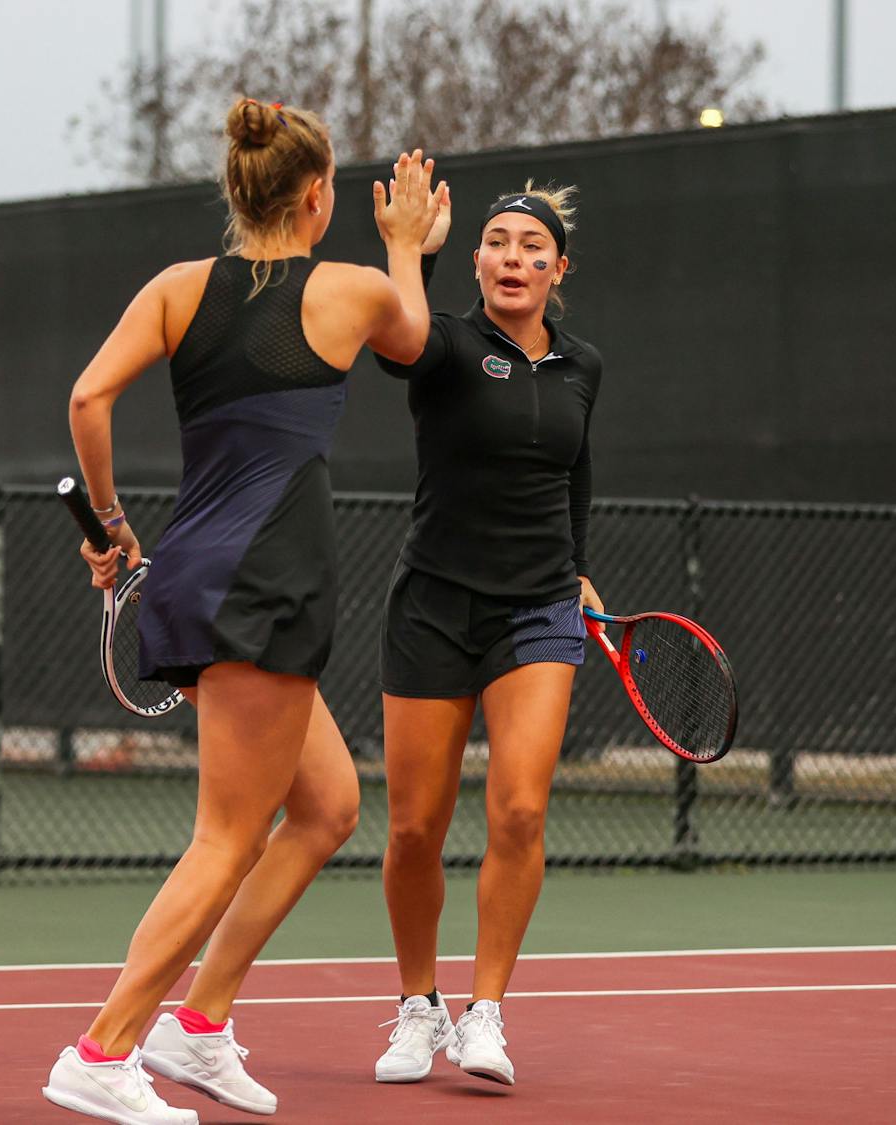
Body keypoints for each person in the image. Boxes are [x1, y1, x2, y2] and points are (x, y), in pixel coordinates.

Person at [42, 98, 443, 1125]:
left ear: (236, 190)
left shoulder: (178, 288)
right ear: (319, 200)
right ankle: (103, 1048)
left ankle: (200, 1024)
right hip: (266, 583)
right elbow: (415, 340)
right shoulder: (354, 290)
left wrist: (109, 527)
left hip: (196, 570)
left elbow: (90, 398)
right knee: (227, 837)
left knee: (325, 810)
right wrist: (403, 244)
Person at [370, 182, 603, 1088]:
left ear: (558, 268)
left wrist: (578, 566)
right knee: (414, 830)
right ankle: (417, 1007)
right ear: (475, 262)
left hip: (538, 609)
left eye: (530, 246)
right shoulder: (448, 343)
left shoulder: (584, 365)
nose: (513, 257)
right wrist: (411, 254)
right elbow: (398, 348)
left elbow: (577, 475)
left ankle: (487, 1013)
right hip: (432, 605)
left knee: (519, 809)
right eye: (497, 243)